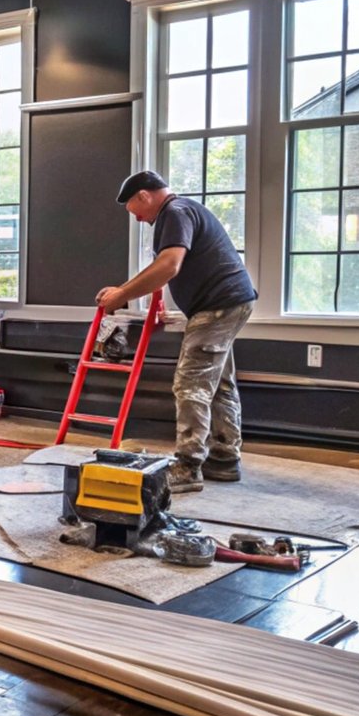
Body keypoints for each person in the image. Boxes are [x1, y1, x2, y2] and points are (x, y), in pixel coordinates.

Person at [95, 171, 257, 493]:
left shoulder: (174, 211)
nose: (140, 219)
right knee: (219, 384)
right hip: (229, 302)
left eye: (135, 211)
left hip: (218, 307)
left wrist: (120, 296)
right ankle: (224, 459)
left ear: (144, 195)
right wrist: (125, 290)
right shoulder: (184, 210)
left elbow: (169, 265)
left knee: (190, 384)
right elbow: (171, 266)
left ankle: (188, 465)